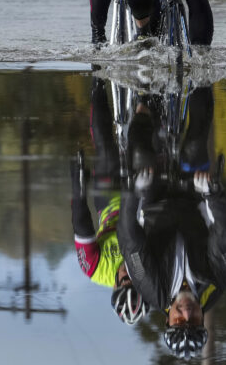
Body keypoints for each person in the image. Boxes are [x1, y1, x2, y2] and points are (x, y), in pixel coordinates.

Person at [116, 84, 226, 360]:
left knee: (141, 155)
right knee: (195, 145)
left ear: (167, 320)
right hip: (194, 199)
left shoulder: (151, 288)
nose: (186, 313)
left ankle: (144, 99)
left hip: (154, 202)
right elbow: (225, 235)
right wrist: (213, 194)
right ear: (202, 320)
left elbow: (130, 238)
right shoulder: (216, 283)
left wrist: (133, 193)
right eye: (193, 321)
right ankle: (201, 69)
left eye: (179, 321)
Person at [70, 76, 150, 325]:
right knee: (148, 152)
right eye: (133, 281)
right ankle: (148, 99)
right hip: (140, 204)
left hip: (111, 203)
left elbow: (82, 226)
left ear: (115, 285)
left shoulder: (94, 270)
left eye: (123, 281)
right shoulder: (149, 272)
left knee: (105, 148)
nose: (128, 275)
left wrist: (78, 188)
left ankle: (97, 81)